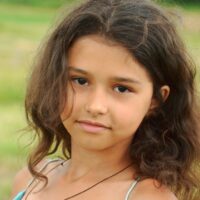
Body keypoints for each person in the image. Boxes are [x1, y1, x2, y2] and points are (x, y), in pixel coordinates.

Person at [11, 0, 200, 199]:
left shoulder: (147, 196)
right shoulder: (30, 179)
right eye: (80, 81)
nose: (95, 106)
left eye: (121, 88)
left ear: (156, 100)